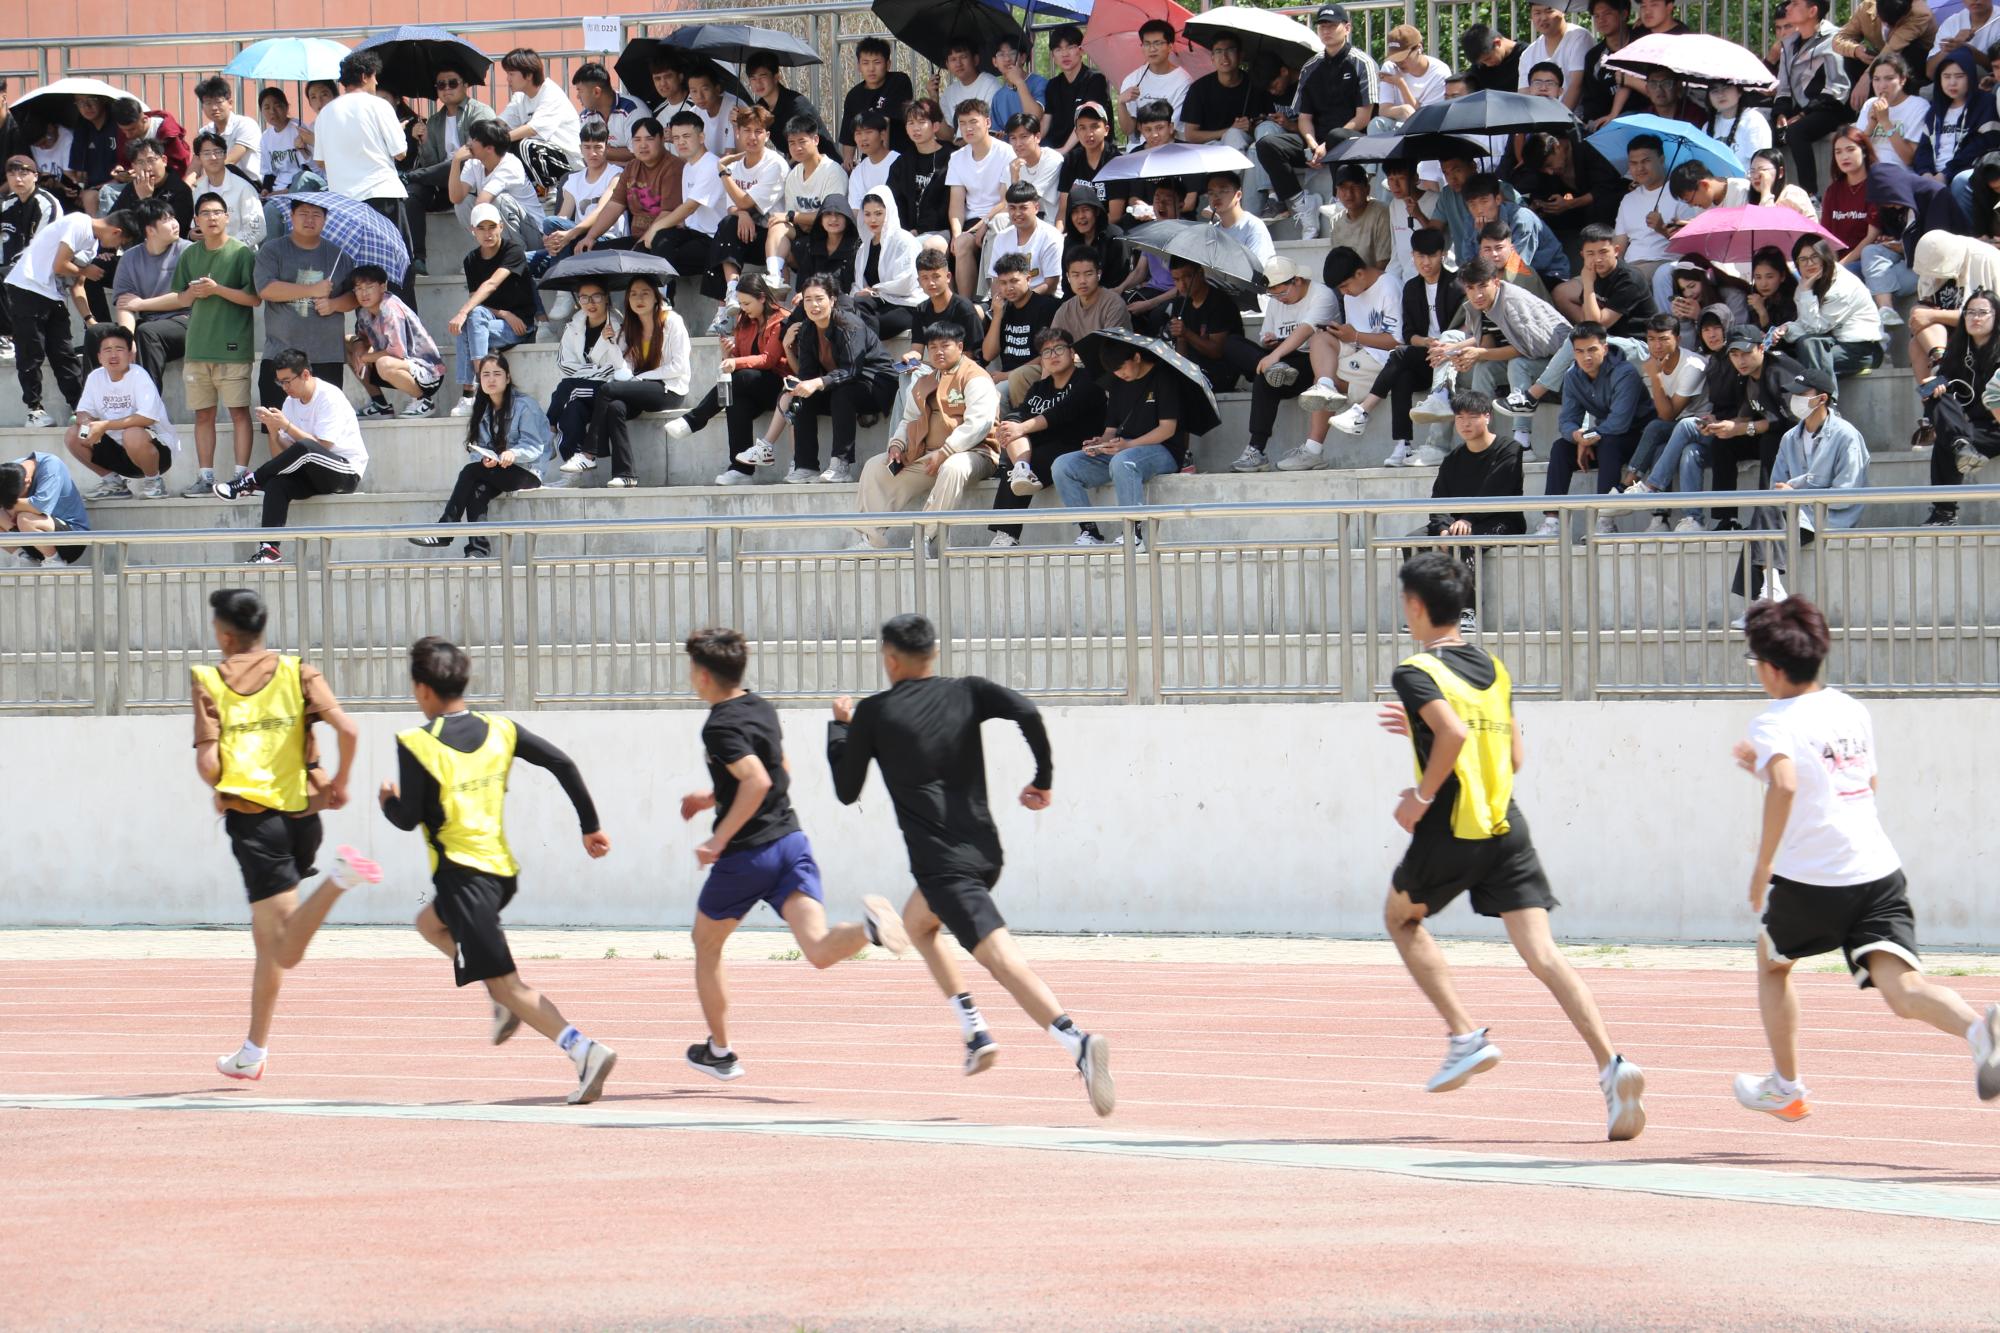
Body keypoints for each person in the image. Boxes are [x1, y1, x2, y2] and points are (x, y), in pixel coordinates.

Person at [1375, 553, 1648, 1139]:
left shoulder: (1415, 671)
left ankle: (1464, 1036)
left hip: (1454, 826)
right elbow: (1513, 756)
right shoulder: (1494, 669)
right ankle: (1612, 1065)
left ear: (1415, 606)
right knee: (1543, 954)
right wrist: (1421, 729)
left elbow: (1453, 732)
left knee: (1401, 918)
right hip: (1506, 826)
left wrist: (1420, 796)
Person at [828, 612, 1114, 1112]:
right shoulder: (968, 691)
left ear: (890, 659)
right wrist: (1043, 778)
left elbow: (846, 790)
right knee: (917, 925)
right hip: (984, 853)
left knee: (1001, 960)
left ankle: (1078, 1042)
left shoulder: (874, 713)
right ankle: (974, 1031)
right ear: (934, 654)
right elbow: (1027, 712)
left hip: (944, 866)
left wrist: (839, 730)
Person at [1730, 595, 2000, 1120]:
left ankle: (1786, 1086)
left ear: (1772, 668)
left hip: (1815, 879)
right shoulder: (1851, 709)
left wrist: (1763, 866)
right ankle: (1979, 1031)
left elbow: (1786, 784)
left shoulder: (1772, 721)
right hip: (1877, 870)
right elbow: (1862, 782)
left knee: (1772, 964)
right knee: (1903, 989)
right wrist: (1766, 768)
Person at [379, 636, 619, 1105]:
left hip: (464, 879)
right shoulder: (500, 729)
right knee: (428, 924)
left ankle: (585, 1050)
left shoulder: (416, 743)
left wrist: (388, 800)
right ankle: (496, 995)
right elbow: (562, 762)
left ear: (422, 689)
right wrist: (590, 826)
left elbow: (409, 818)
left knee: (510, 985)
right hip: (500, 874)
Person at [677, 628, 911, 1083]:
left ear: (703, 676)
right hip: (790, 842)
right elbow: (778, 769)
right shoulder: (761, 707)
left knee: (705, 944)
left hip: (748, 855)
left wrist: (718, 839)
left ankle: (720, 1052)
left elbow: (757, 781)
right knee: (819, 949)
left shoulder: (719, 726)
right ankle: (869, 928)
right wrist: (713, 797)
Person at [194, 587, 378, 1084]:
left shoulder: (210, 680)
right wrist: (340, 783)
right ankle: (252, 1051)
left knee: (283, 948)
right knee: (267, 939)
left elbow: (209, 764)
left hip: (256, 823)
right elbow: (349, 730)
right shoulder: (298, 671)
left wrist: (220, 785)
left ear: (225, 635)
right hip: (303, 818)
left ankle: (340, 879)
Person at [1730, 365, 1869, 611]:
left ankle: (1761, 604)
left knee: (1763, 522)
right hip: (1793, 513)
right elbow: (1776, 484)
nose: (1795, 399)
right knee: (1761, 521)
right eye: (1794, 393)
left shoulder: (1846, 436)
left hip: (1829, 516)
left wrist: (1797, 495)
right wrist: (1788, 496)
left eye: (1802, 394)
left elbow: (1847, 494)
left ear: (1822, 399)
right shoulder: (1790, 437)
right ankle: (1770, 591)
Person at [852, 320, 1000, 550]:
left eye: (945, 345)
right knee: (875, 466)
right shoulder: (925, 380)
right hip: (926, 455)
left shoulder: (976, 377)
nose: (938, 352)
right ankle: (872, 540)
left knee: (953, 467)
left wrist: (945, 452)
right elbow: (909, 419)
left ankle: (926, 538)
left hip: (974, 454)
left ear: (960, 347)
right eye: (933, 347)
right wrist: (897, 444)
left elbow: (979, 424)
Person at [212, 351, 368, 564]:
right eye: (280, 382)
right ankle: (269, 549)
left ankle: (251, 481)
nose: (284, 387)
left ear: (305, 374)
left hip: (345, 472)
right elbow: (284, 455)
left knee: (306, 448)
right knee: (276, 484)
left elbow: (321, 446)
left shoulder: (329, 397)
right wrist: (274, 431)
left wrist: (286, 426)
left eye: (287, 381)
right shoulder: (290, 403)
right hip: (312, 472)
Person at [741, 274, 895, 484]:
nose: (814, 305)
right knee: (801, 396)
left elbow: (851, 370)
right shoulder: (807, 329)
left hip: (874, 384)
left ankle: (841, 465)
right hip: (838, 384)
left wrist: (817, 382)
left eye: (819, 299)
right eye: (808, 300)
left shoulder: (850, 324)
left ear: (832, 300)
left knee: (842, 393)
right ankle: (805, 466)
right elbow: (807, 374)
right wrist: (799, 385)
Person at [1330, 230, 1464, 466]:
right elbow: (1409, 334)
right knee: (1403, 375)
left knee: (1399, 356)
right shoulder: (1412, 288)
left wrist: (1442, 344)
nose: (1425, 262)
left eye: (1432, 256)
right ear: (1412, 256)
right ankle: (1403, 445)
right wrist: (1425, 342)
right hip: (1425, 354)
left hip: (1453, 357)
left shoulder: (1456, 285)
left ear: (1442, 255)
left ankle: (1363, 411)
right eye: (1420, 256)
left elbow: (1464, 327)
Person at [5, 209, 138, 429]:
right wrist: (86, 270)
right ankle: (34, 410)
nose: (116, 247)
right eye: (120, 242)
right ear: (116, 231)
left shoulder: (92, 244)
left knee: (64, 353)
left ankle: (80, 408)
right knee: (31, 352)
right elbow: (60, 265)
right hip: (27, 288)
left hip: (53, 295)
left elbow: (77, 286)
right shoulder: (78, 223)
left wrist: (89, 319)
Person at [1255, 5, 1378, 240]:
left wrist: (1327, 145)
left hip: (1352, 139)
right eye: (1322, 26)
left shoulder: (1362, 63)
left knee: (1337, 135)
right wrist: (1313, 144)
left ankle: (1337, 200)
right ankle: (1302, 204)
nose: (1326, 30)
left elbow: (1363, 117)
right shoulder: (1310, 67)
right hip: (1317, 143)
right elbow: (1304, 118)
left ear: (1347, 28)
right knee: (1267, 144)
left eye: (1332, 25)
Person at [408, 353, 549, 557]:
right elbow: (479, 448)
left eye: (497, 374)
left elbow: (535, 446)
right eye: (486, 374)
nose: (491, 379)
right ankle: (478, 551)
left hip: (528, 471)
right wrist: (486, 460)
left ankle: (444, 531)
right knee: (477, 490)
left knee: (470, 472)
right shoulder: (483, 408)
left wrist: (513, 453)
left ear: (508, 378)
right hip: (499, 471)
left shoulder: (524, 406)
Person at [1052, 339, 1188, 548]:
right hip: (1122, 449)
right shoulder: (1116, 382)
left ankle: (1133, 532)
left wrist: (1129, 445)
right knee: (1062, 465)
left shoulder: (1164, 377)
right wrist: (1100, 443)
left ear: (1136, 357)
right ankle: (1089, 531)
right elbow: (1111, 429)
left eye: (1121, 367)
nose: (1119, 373)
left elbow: (1167, 429)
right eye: (1114, 370)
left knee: (1123, 461)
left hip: (1163, 450)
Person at [666, 271, 791, 486]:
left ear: (762, 298)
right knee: (735, 402)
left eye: (747, 303)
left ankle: (695, 419)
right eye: (740, 303)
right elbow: (740, 360)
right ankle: (741, 470)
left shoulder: (780, 319)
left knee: (741, 377)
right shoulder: (744, 320)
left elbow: (769, 360)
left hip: (780, 385)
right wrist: (727, 355)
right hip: (752, 385)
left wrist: (736, 362)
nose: (743, 308)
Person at [990, 327, 1107, 546]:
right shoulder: (1039, 387)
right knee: (1016, 463)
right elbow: (1022, 413)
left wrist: (1020, 428)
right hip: (1043, 445)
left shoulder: (1088, 381)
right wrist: (1010, 426)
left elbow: (1061, 413)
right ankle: (1006, 532)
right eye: (1046, 352)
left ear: (1072, 352)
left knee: (1028, 452)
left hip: (1076, 444)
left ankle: (1009, 532)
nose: (1053, 355)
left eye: (1059, 349)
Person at [1415, 392, 1528, 615]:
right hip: (1458, 525)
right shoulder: (1453, 459)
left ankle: (1467, 612)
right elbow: (1439, 499)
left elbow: (1497, 489)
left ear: (1487, 417)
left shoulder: (1509, 449)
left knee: (1464, 540)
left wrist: (1468, 519)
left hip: (1502, 522)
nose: (1465, 423)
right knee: (1414, 541)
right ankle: (1427, 613)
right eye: (1460, 417)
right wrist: (1443, 528)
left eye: (1473, 417)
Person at [1222, 256, 1336, 473]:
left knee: (1265, 376)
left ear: (1298, 280)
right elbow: (1266, 335)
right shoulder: (1277, 301)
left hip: (1310, 360)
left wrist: (1275, 355)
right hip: (1280, 360)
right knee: (1232, 344)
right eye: (1273, 295)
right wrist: (1269, 343)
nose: (1279, 299)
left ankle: (1256, 449)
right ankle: (1271, 370)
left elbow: (1306, 330)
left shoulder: (1322, 295)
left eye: (1282, 293)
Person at [1541, 321, 1655, 536]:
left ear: (1605, 348)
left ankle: (1605, 521)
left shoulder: (1625, 373)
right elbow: (1567, 420)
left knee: (1609, 444)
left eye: (1592, 349)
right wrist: (1577, 437)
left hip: (1637, 438)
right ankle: (1552, 521)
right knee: (1560, 448)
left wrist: (1587, 438)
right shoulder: (1572, 376)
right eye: (1580, 351)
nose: (1586, 357)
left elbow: (1619, 423)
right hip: (1602, 436)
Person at [313, 53, 413, 282]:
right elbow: (400, 152)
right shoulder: (380, 105)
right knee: (396, 264)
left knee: (358, 272)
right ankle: (401, 306)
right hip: (382, 194)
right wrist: (397, 132)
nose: (376, 82)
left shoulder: (325, 113)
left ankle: (364, 309)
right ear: (365, 76)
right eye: (374, 77)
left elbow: (320, 161)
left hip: (344, 204)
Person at [253, 197, 352, 425]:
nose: (310, 219)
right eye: (303, 214)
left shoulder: (339, 255)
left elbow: (354, 297)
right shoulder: (272, 250)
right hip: (280, 355)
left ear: (325, 219)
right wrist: (311, 290)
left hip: (326, 355)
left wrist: (334, 304)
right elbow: (265, 289)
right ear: (291, 216)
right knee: (276, 426)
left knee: (325, 427)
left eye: (316, 214)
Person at [64, 324, 176, 501]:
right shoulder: (95, 377)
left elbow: (147, 418)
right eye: (107, 350)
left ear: (130, 355)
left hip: (154, 453)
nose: (113, 355)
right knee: (75, 434)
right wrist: (87, 425)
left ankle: (154, 482)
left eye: (119, 349)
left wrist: (105, 425)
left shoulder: (139, 375)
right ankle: (113, 483)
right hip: (116, 452)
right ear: (99, 357)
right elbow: (83, 411)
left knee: (132, 434)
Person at [402, 66, 499, 270]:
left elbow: (476, 153)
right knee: (412, 194)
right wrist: (424, 142)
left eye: (452, 83)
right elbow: (431, 165)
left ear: (465, 85)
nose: (446, 88)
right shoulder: (435, 121)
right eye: (441, 85)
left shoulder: (480, 112)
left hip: (470, 180)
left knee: (458, 163)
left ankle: (408, 176)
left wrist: (450, 164)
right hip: (443, 184)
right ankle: (417, 259)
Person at [1919, 287, 2000, 524]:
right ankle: (1960, 444)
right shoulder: (1958, 349)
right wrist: (1932, 385)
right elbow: (1934, 385)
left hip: (1996, 427)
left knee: (1945, 442)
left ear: (1996, 317)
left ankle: (1944, 512)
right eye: (1970, 313)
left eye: (1982, 313)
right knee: (1934, 393)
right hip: (1968, 427)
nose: (1975, 318)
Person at [448, 203, 534, 416]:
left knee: (467, 321)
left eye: (492, 227)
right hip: (494, 321)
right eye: (482, 228)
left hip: (520, 325)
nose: (488, 233)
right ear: (473, 230)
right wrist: (503, 313)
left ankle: (474, 391)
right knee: (473, 316)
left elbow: (492, 284)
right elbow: (476, 300)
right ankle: (475, 391)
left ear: (501, 227)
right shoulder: (471, 260)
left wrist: (462, 312)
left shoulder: (513, 251)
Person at [1623, 312, 1711, 518]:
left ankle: (1629, 485)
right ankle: (1660, 518)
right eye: (1651, 339)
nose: (1657, 346)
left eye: (1663, 339)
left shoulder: (1693, 365)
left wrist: (1655, 377)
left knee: (1657, 427)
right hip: (1677, 430)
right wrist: (1654, 374)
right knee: (1661, 448)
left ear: (1678, 339)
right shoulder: (1652, 363)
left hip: (1702, 427)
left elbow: (1668, 415)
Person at [1776, 0, 1859, 197]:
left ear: (1812, 11)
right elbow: (1783, 87)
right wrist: (1780, 113)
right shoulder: (1788, 44)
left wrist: (1804, 114)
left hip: (1832, 107)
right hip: (1804, 109)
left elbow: (1838, 87)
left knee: (1796, 132)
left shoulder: (1835, 38)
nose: (1787, 8)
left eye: (1795, 4)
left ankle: (1810, 196)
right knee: (1770, 131)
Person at [108, 198, 189, 392]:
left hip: (186, 322)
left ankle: (148, 404)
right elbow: (125, 304)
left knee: (147, 332)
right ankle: (91, 404)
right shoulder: (130, 258)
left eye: (173, 218)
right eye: (167, 220)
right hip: (149, 325)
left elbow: (187, 297)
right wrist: (127, 340)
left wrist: (142, 304)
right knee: (100, 335)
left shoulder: (189, 251)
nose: (175, 224)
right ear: (150, 230)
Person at [1777, 235, 1885, 379]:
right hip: (1833, 343)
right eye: (1803, 259)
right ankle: (1819, 391)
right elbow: (1806, 322)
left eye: (1815, 257)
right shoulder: (1807, 284)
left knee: (1809, 352)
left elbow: (1815, 328)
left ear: (1825, 256)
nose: (1809, 263)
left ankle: (1822, 393)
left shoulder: (1842, 286)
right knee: (1790, 356)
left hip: (1862, 350)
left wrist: (1806, 292)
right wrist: (1786, 329)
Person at [712, 105, 788, 309]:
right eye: (747, 130)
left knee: (727, 230)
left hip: (773, 235)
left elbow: (744, 202)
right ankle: (730, 294)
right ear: (737, 132)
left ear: (767, 135)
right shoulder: (735, 166)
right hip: (746, 232)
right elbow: (733, 208)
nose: (752, 137)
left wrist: (722, 172)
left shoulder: (775, 164)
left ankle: (775, 309)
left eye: (758, 131)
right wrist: (743, 214)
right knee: (725, 226)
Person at [545, 278, 624, 472]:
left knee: (567, 387)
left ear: (606, 298)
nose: (590, 303)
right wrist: (593, 371)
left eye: (596, 296)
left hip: (607, 389)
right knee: (572, 411)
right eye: (584, 298)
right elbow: (564, 364)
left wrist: (584, 373)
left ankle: (548, 430)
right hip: (583, 391)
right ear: (578, 301)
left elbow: (615, 368)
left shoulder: (618, 327)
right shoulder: (573, 327)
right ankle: (573, 471)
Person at [764, 116, 849, 295]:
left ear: (816, 140)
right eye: (792, 143)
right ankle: (774, 277)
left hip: (829, 236)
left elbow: (832, 215)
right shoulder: (794, 175)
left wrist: (794, 217)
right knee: (777, 225)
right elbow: (793, 217)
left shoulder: (832, 172)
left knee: (790, 230)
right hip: (804, 232)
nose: (797, 148)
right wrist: (795, 218)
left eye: (802, 141)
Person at [348, 263, 443, 418]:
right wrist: (358, 347)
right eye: (358, 288)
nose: (364, 293)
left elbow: (397, 352)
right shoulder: (364, 312)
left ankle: (424, 401)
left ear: (383, 286)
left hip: (427, 371)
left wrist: (364, 358)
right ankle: (380, 405)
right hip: (399, 366)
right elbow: (362, 338)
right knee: (348, 342)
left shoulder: (390, 308)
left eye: (369, 287)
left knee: (383, 363)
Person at [1612, 135, 1697, 305]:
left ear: (1662, 160)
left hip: (1661, 262)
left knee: (1625, 284)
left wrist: (1662, 229)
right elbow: (1618, 246)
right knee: (1566, 291)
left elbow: (1691, 247)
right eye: (1633, 163)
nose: (1640, 168)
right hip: (1629, 265)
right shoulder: (1628, 199)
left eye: (1646, 161)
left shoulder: (1681, 194)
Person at [946, 101, 1016, 300]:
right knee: (961, 244)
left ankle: (991, 301)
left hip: (999, 217)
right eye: (962, 123)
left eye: (973, 122)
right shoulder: (956, 158)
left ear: (987, 122)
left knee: (994, 230)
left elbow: (1005, 201)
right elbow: (956, 205)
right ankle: (966, 305)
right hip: (971, 222)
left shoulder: (1006, 152)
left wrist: (984, 223)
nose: (968, 128)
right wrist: (957, 234)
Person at [448, 119, 544, 255]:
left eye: (474, 139)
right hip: (504, 227)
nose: (468, 143)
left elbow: (482, 202)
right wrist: (456, 161)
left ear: (489, 148)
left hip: (533, 233)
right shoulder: (474, 163)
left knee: (498, 200)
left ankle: (516, 256)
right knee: (462, 204)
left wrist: (481, 228)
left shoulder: (510, 164)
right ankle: (493, 252)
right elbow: (456, 198)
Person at [499, 46, 583, 192]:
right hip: (544, 155)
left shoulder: (550, 93)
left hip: (569, 162)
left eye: (511, 74)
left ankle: (551, 190)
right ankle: (529, 190)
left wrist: (497, 139)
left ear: (529, 75)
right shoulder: (520, 96)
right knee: (505, 145)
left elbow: (533, 129)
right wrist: (485, 135)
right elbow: (502, 123)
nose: (508, 79)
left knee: (524, 145)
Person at [1553, 222, 1658, 334]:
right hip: (1607, 336)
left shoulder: (1630, 279)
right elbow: (1588, 317)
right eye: (1590, 254)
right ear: (1583, 255)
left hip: (1635, 339)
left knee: (1585, 339)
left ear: (1616, 251)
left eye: (1603, 252)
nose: (1598, 259)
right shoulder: (1593, 273)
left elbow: (1596, 325)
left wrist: (1588, 284)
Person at [851, 186, 923, 340]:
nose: (873, 220)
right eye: (867, 214)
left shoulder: (904, 240)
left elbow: (906, 283)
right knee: (847, 310)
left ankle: (870, 352)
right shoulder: (864, 248)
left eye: (878, 213)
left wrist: (875, 290)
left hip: (906, 305)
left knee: (862, 322)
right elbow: (859, 286)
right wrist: (861, 293)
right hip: (874, 305)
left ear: (888, 212)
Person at [980, 252, 1062, 379]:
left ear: (1028, 279)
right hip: (1006, 376)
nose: (1009, 288)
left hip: (1033, 375)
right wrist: (997, 316)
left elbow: (1047, 355)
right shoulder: (1003, 309)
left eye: (1014, 281)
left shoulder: (1046, 307)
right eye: (1003, 283)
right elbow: (988, 355)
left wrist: (1007, 375)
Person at [0, 451, 88, 566]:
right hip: (32, 542)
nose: (18, 501)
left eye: (17, 498)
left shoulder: (51, 466)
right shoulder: (9, 472)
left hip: (70, 541)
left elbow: (39, 506)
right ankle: (25, 558)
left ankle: (54, 561)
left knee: (25, 518)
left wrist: (12, 506)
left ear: (28, 481)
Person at [1116, 18, 1193, 149]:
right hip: (1139, 150)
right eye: (1147, 44)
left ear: (1170, 46)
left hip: (1171, 149)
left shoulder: (1184, 81)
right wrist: (1121, 103)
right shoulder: (1133, 80)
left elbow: (1172, 129)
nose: (1152, 49)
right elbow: (1128, 130)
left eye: (1157, 43)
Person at [840, 36, 916, 167]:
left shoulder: (899, 81)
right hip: (870, 160)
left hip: (902, 156)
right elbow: (848, 134)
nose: (871, 68)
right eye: (865, 63)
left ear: (888, 64)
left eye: (877, 62)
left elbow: (885, 120)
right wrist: (848, 159)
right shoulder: (853, 95)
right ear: (858, 66)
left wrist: (884, 163)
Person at [889, 99, 954, 247]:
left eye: (921, 122)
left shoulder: (952, 158)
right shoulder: (902, 163)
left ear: (935, 126)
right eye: (910, 123)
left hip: (941, 231)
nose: (915, 128)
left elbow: (947, 204)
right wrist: (906, 231)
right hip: (908, 233)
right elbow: (895, 200)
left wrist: (920, 230)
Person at [187, 130, 263, 247]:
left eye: (218, 152)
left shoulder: (244, 188)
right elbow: (195, 225)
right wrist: (192, 235)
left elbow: (257, 230)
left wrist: (226, 248)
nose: (213, 157)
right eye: (206, 153)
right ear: (198, 158)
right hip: (207, 252)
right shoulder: (197, 190)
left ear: (225, 155)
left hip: (239, 253)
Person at [1044, 26, 1113, 151]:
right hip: (1059, 151)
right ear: (1053, 55)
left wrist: (1064, 150)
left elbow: (1087, 123)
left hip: (1091, 151)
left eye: (1070, 47)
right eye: (1058, 49)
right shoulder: (1053, 85)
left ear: (1082, 50)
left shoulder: (1095, 80)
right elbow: (1046, 122)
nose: (1065, 54)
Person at [1055, 104, 1119, 226]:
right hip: (1077, 228)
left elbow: (1115, 215)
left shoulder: (1116, 161)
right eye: (1082, 128)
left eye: (1094, 126)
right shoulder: (1071, 160)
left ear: (1106, 130)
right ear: (1076, 132)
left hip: (1107, 230)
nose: (1089, 133)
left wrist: (1088, 232)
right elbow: (1063, 210)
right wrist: (1058, 233)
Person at [1376, 25, 1450, 124]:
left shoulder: (1439, 73)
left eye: (1403, 57)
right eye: (1395, 58)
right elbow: (1383, 110)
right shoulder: (1390, 67)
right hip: (1397, 126)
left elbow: (1424, 119)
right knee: (1377, 123)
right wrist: (1403, 110)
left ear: (1419, 48)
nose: (1399, 62)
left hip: (1425, 127)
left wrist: (1401, 84)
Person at [571, 61, 639, 164]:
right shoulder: (585, 116)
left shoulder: (632, 109)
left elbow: (638, 153)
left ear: (596, 92)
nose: (577, 96)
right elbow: (584, 153)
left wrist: (599, 151)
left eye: (580, 90)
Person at [936, 40, 1003, 135]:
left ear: (975, 60)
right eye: (953, 59)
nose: (958, 64)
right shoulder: (949, 93)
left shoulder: (990, 84)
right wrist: (934, 99)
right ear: (947, 65)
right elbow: (945, 136)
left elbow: (989, 131)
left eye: (963, 57)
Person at [991, 33, 1049, 136]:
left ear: (1022, 58)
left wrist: (1019, 82)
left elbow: (1034, 117)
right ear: (995, 62)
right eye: (1001, 54)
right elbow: (995, 132)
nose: (1007, 59)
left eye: (1012, 53)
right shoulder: (998, 96)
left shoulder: (1039, 83)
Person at [847, 112, 901, 208]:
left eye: (869, 132)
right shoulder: (857, 172)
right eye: (858, 133)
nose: (863, 138)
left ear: (883, 135)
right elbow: (855, 210)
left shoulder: (899, 162)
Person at [1459, 22, 1523, 92]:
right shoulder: (1480, 66)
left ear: (1497, 43)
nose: (1488, 65)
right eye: (1482, 62)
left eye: (1488, 59)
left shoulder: (1526, 56)